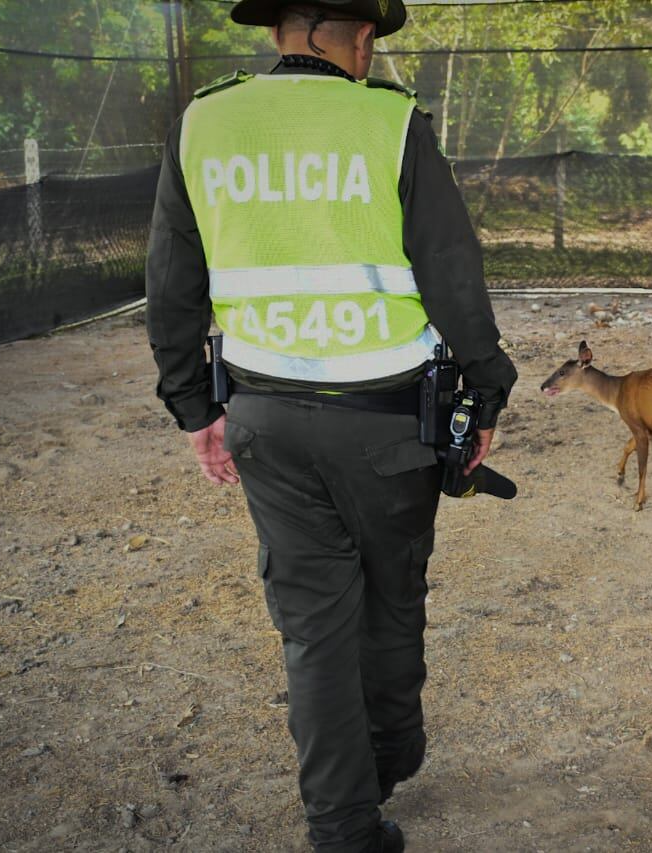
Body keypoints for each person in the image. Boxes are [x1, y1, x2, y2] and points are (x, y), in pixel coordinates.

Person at [143, 1, 517, 849]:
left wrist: (194, 409)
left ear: (277, 29)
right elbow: (453, 272)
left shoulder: (201, 122)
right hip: (387, 427)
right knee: (390, 601)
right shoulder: (389, 122)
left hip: (264, 418)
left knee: (313, 625)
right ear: (360, 37)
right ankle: (389, 751)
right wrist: (487, 391)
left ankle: (344, 824)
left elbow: (172, 281)